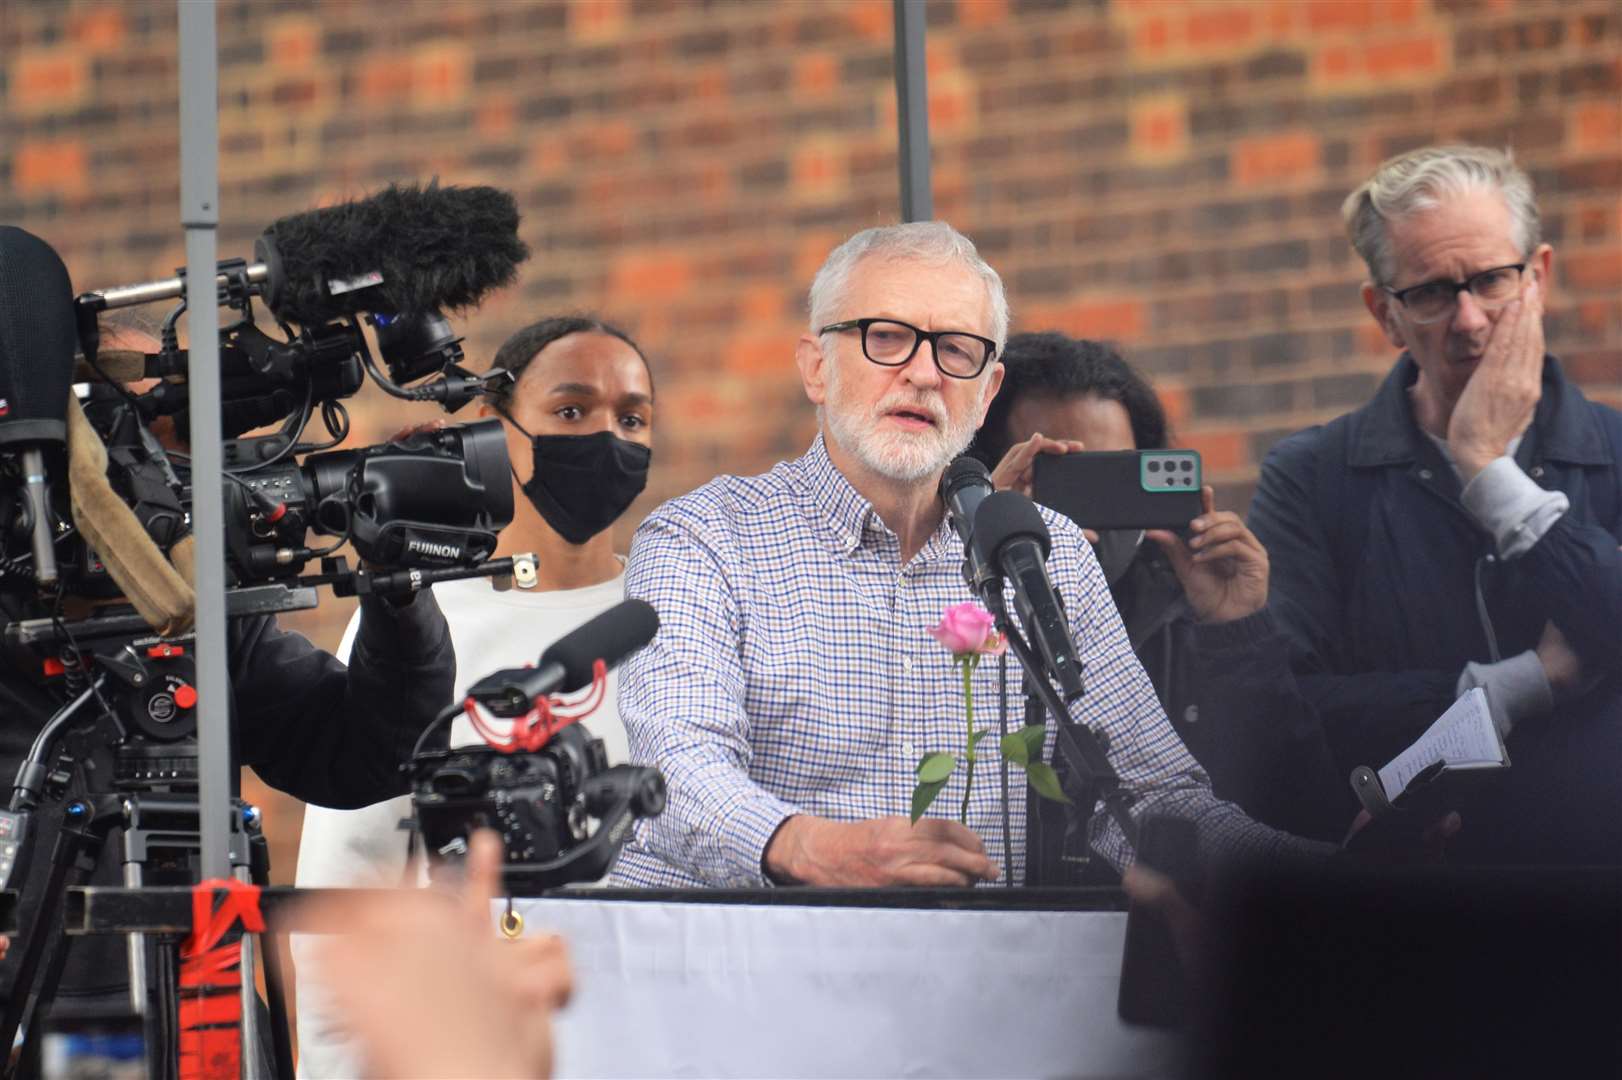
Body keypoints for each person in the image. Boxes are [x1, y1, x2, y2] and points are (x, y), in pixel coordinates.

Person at [608, 221, 1335, 891]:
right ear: (816, 369)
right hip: (749, 979)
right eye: (887, 337)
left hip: (968, 982)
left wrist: (1342, 877)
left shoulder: (1042, 556)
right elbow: (673, 772)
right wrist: (814, 848)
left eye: (956, 350)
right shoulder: (704, 538)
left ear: (985, 394)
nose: (924, 373)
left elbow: (1151, 799)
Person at [0, 324, 456, 1021]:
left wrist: (400, 594)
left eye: (168, 441)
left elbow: (369, 754)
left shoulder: (216, 625)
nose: (153, 477)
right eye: (121, 439)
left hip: (200, 1015)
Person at [294, 316, 655, 1077]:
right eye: (570, 410)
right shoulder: (418, 622)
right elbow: (348, 881)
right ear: (499, 429)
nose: (605, 437)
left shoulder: (675, 613)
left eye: (631, 417)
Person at [1247, 145, 1622, 865]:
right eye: (1431, 292)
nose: (1470, 320)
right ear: (1384, 314)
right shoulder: (1314, 478)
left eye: (1492, 280)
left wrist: (1485, 464)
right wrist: (1511, 688)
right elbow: (1285, 710)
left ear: (1538, 276)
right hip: (1414, 897)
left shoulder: (1613, 451)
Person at [972, 333, 1348, 843]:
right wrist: (979, 558)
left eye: (1113, 474)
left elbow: (1303, 814)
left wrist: (1236, 632)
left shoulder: (1184, 607)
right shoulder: (956, 608)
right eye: (1062, 478)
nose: (1089, 509)